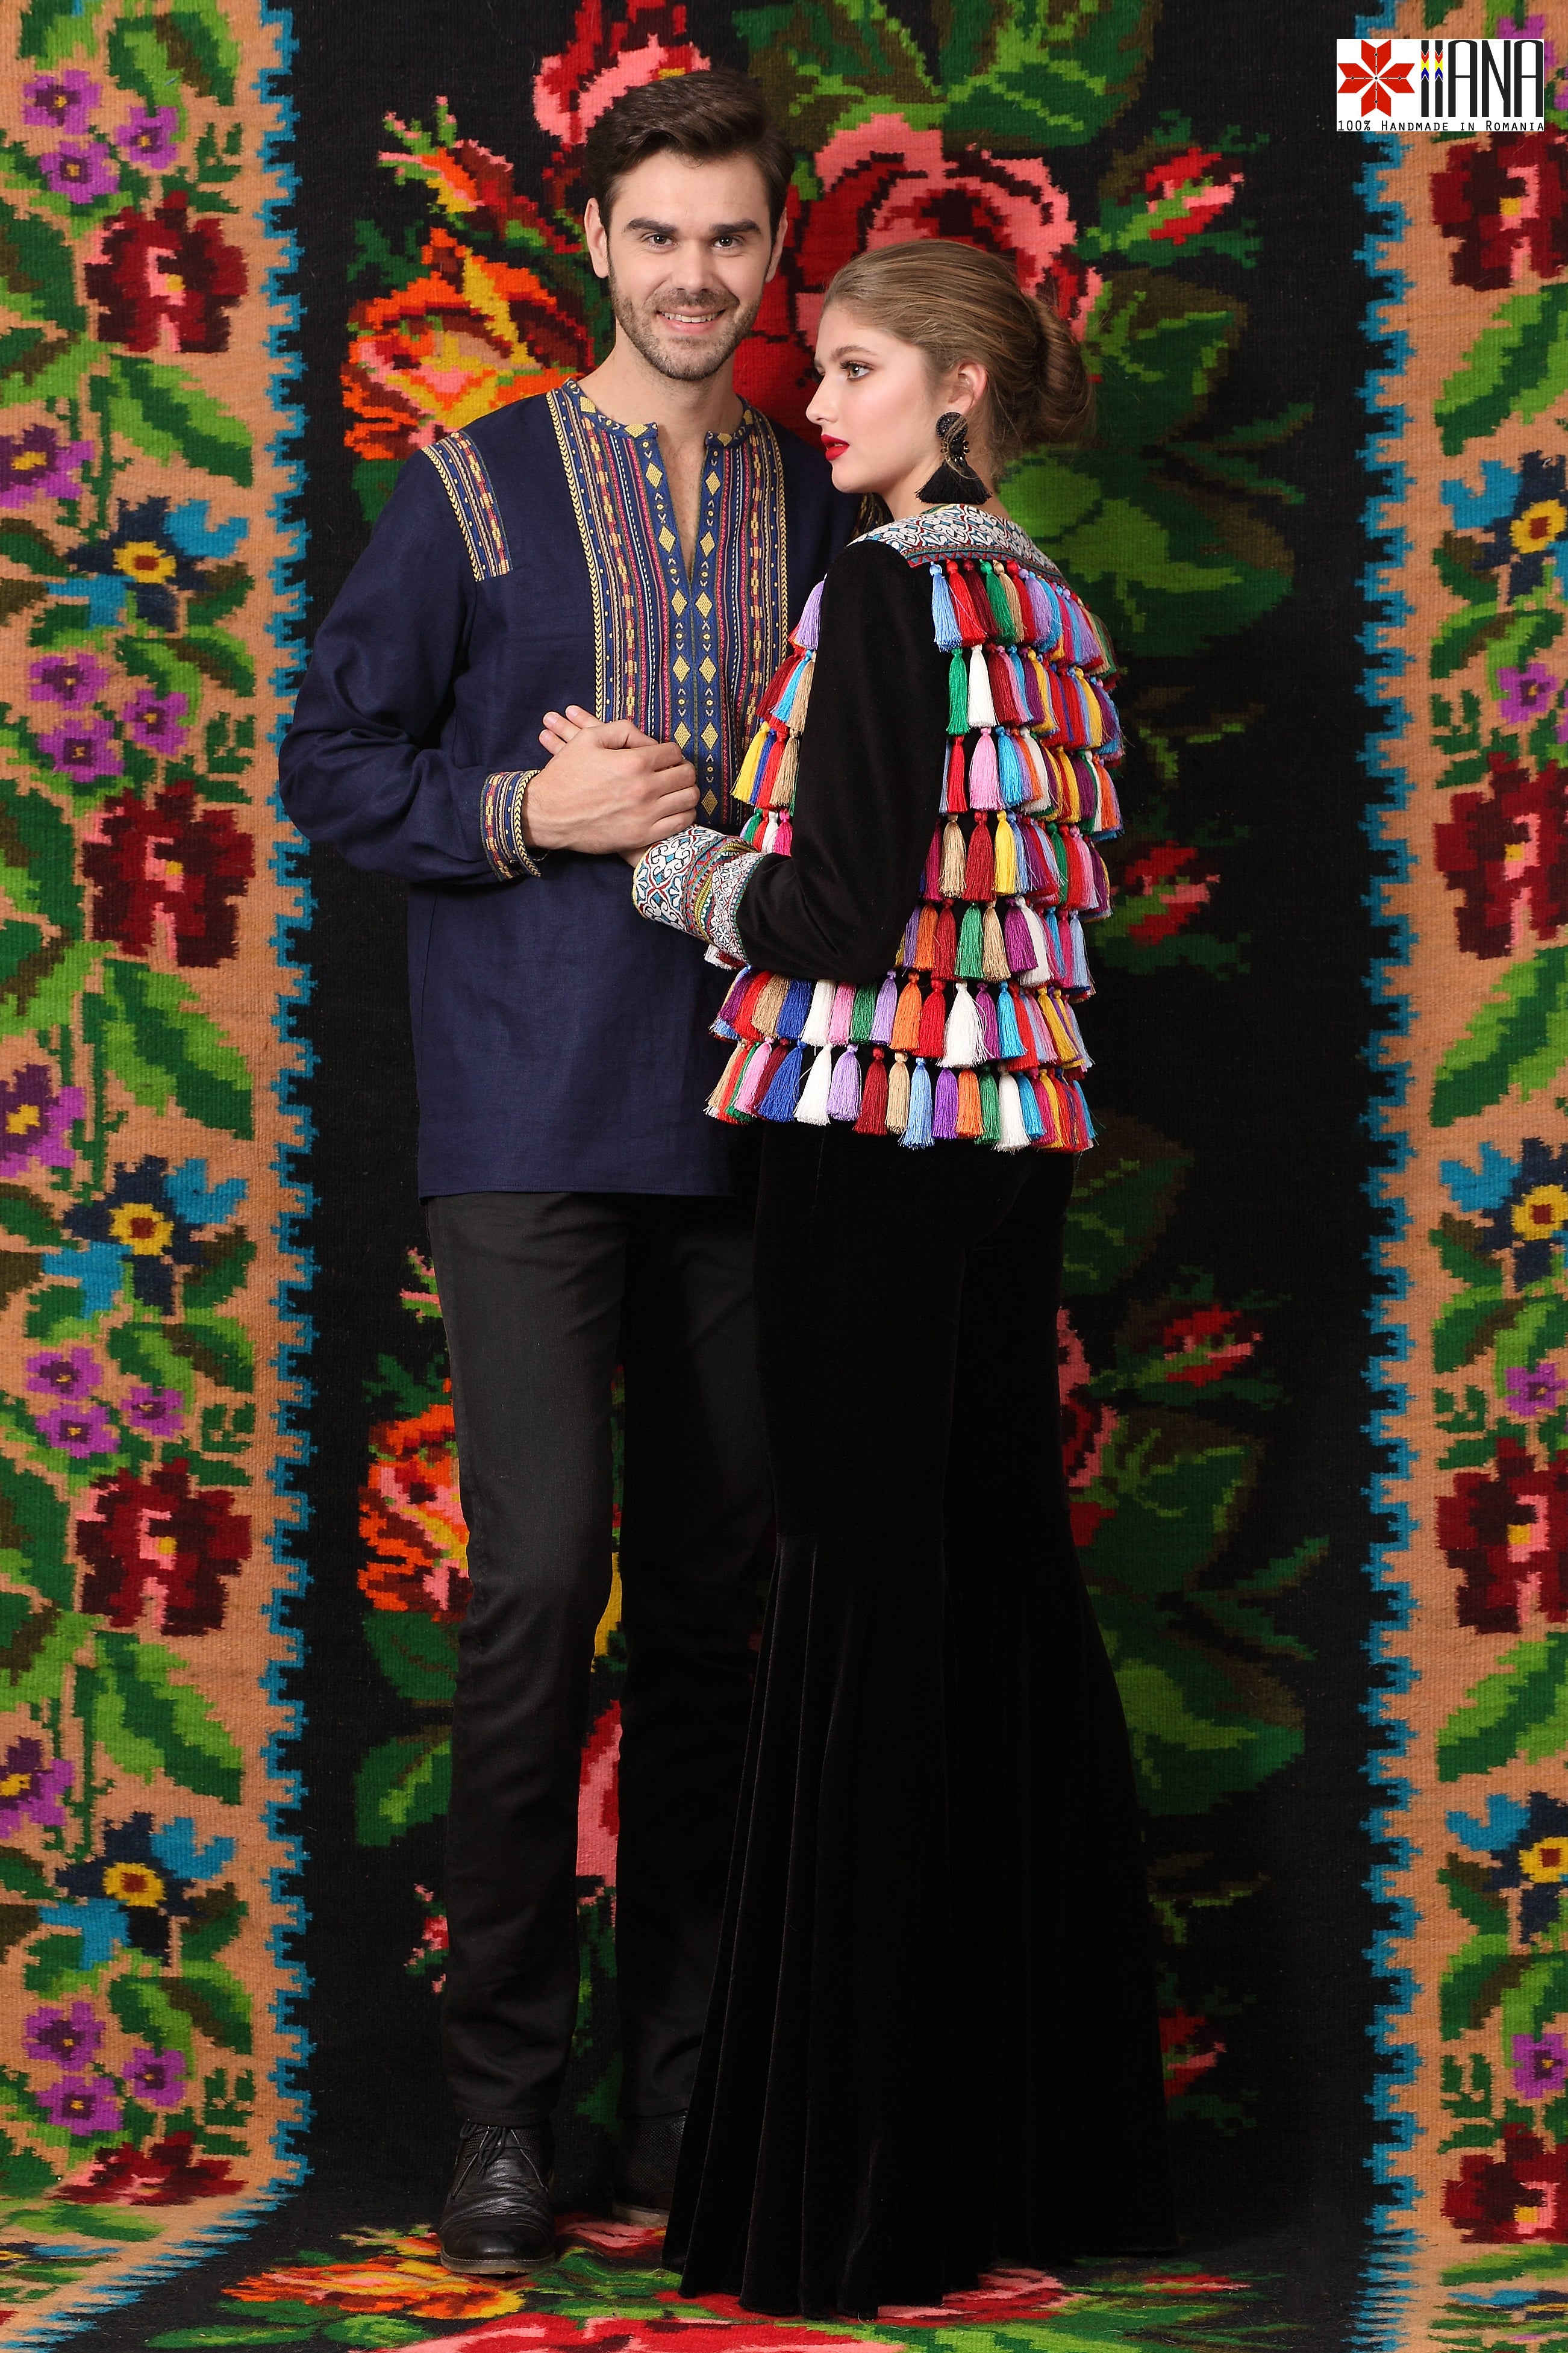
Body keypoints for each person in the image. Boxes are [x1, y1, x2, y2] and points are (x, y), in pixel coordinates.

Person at [278, 72, 853, 2275]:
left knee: (722, 1608)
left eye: (733, 238)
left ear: (775, 251)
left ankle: (689, 2104)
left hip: (758, 1114)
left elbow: (874, 784)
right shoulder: (472, 488)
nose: (697, 277)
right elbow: (333, 757)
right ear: (593, 241)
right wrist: (535, 814)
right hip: (526, 1116)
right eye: (660, 235)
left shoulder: (819, 498)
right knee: (531, 1589)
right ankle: (504, 2118)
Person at [611, 238, 1175, 2316]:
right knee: (993, 1599)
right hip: (1006, 1139)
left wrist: (671, 864)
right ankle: (1034, 2161)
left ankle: (846, 2198)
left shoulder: (875, 590)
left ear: (957, 386)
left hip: (866, 1143)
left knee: (854, 1614)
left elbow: (839, 917)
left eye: (853, 368)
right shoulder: (1050, 600)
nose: (816, 399)